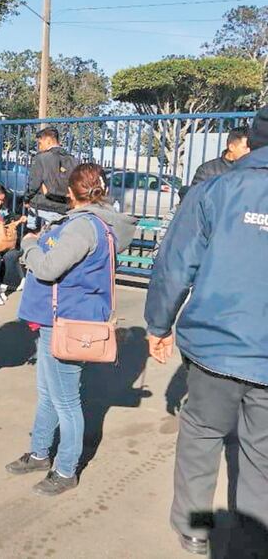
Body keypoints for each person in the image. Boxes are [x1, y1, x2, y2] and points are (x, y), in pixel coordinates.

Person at [144, 107, 268, 556]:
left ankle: (196, 529)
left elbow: (175, 265)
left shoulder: (216, 190)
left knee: (201, 436)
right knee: (261, 454)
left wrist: (158, 325)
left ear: (250, 141)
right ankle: (254, 538)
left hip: (215, 348)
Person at [7, 163, 135, 496]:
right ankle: (39, 452)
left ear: (72, 191)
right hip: (62, 319)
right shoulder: (97, 224)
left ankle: (65, 470)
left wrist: (31, 244)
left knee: (65, 400)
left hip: (66, 322)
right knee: (50, 394)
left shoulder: (83, 227)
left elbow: (49, 268)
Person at [25, 127, 79, 225]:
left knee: (33, 235)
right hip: (65, 208)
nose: (39, 147)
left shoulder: (41, 158)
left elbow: (33, 185)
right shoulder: (73, 160)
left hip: (43, 206)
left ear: (49, 141)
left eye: (40, 143)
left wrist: (26, 199)